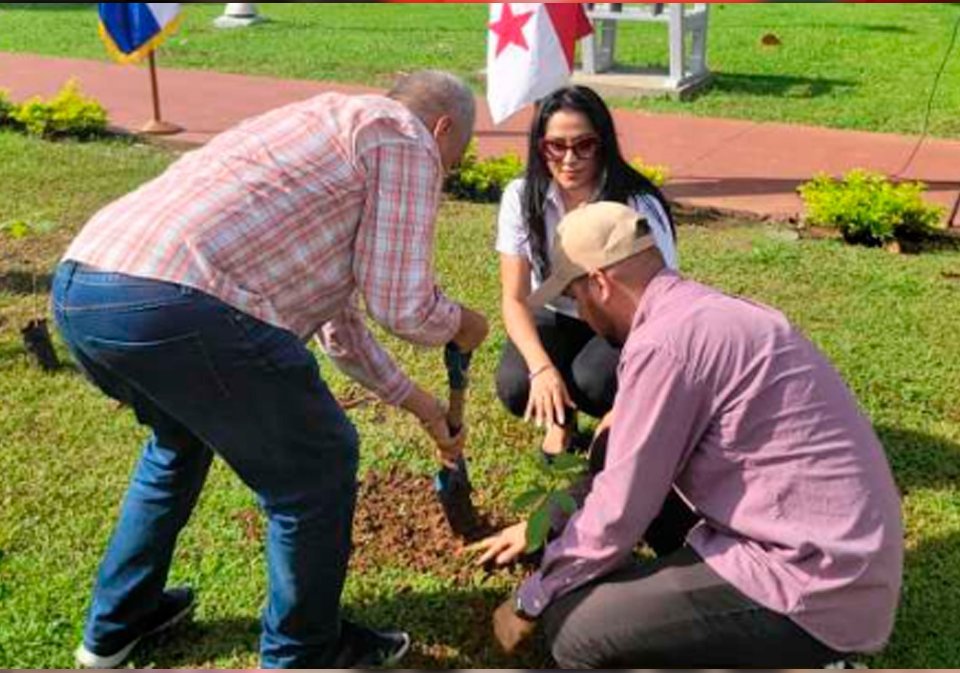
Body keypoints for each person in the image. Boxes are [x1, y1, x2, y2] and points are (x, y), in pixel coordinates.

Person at [53, 70, 489, 669]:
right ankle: (304, 651)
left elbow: (342, 330)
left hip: (87, 288)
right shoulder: (404, 136)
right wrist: (463, 323)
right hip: (184, 302)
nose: (442, 179)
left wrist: (424, 407)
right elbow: (401, 305)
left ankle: (116, 627)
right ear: (442, 129)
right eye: (452, 165)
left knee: (179, 444)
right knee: (318, 464)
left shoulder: (321, 126)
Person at [474, 202, 903, 668]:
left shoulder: (665, 345)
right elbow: (621, 464)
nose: (580, 312)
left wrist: (532, 599)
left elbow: (620, 509)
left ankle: (812, 659)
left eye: (576, 297)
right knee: (608, 451)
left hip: (813, 587)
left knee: (575, 631)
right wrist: (547, 527)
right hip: (837, 556)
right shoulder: (696, 312)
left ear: (600, 283)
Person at [495, 85, 677, 458]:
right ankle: (562, 423)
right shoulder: (521, 195)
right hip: (555, 308)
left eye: (584, 145)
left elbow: (662, 307)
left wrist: (612, 417)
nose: (569, 159)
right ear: (539, 147)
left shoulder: (637, 201)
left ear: (603, 143)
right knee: (517, 386)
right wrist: (542, 369)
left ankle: (619, 417)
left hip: (621, 320)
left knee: (593, 384)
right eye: (555, 146)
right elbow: (514, 298)